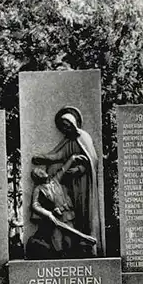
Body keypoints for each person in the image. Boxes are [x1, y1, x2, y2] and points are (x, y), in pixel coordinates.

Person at [31, 106, 104, 257]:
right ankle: (74, 246)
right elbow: (58, 156)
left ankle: (88, 247)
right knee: (72, 220)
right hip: (71, 186)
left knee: (85, 210)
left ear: (73, 123)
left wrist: (79, 170)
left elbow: (93, 162)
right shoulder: (68, 141)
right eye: (62, 126)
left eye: (67, 124)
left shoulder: (84, 138)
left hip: (85, 183)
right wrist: (42, 158)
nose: (65, 128)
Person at [27, 154, 96, 259]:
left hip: (68, 216)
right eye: (38, 173)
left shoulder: (55, 180)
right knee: (57, 245)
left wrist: (72, 158)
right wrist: (48, 213)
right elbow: (35, 205)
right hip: (55, 220)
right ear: (37, 178)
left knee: (69, 242)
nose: (42, 172)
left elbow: (63, 169)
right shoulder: (39, 189)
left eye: (41, 170)